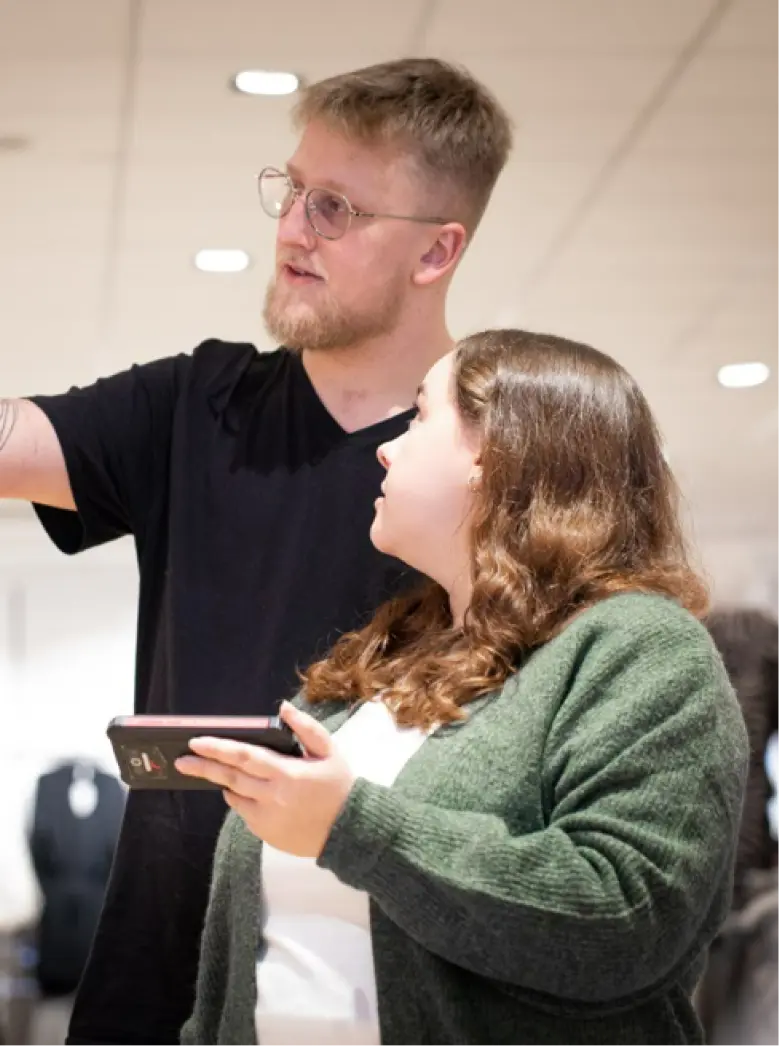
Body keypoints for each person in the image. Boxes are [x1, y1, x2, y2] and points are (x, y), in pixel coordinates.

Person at [0, 59, 513, 1046]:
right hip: (157, 981)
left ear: (436, 249)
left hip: (377, 987)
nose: (290, 230)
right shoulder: (200, 402)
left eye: (335, 208)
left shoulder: (495, 451)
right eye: (290, 192)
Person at [177, 329, 749, 1046]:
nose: (386, 446)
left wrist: (351, 828)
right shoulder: (373, 665)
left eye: (419, 415)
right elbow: (247, 961)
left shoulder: (639, 647)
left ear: (493, 453)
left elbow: (625, 918)